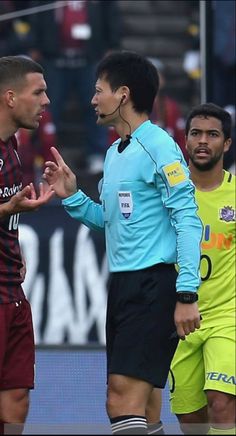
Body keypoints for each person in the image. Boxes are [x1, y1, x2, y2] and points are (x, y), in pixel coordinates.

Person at [43, 51, 203, 435]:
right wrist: (73, 197)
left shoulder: (160, 146)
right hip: (124, 286)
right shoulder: (115, 153)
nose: (93, 100)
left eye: (99, 91)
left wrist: (186, 293)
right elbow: (110, 223)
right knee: (145, 408)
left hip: (153, 287)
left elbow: (188, 218)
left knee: (120, 399)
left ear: (124, 94)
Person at [168, 103, 235, 434]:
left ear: (227, 144)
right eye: (196, 133)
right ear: (186, 141)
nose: (203, 141)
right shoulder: (168, 197)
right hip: (181, 323)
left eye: (213, 134)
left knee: (221, 402)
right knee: (191, 420)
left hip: (228, 318)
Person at [0, 55, 54, 435]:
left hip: (12, 293)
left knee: (17, 397)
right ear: (10, 97)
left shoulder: (14, 146)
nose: (46, 100)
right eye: (38, 92)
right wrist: (8, 207)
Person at [28, 0, 122, 172]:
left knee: (96, 105)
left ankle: (96, 152)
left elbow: (111, 14)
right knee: (49, 107)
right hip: (54, 59)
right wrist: (35, 44)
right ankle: (44, 154)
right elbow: (36, 15)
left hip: (89, 58)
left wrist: (111, 45)